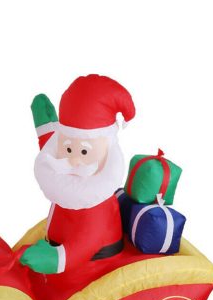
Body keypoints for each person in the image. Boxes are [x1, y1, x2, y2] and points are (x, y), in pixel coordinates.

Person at [20, 74, 135, 274]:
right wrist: (46, 128)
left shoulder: (96, 200)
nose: (73, 161)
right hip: (58, 256)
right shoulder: (70, 173)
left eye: (84, 152)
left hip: (86, 272)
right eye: (68, 149)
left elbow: (87, 241)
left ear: (107, 148)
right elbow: (55, 157)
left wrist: (56, 259)